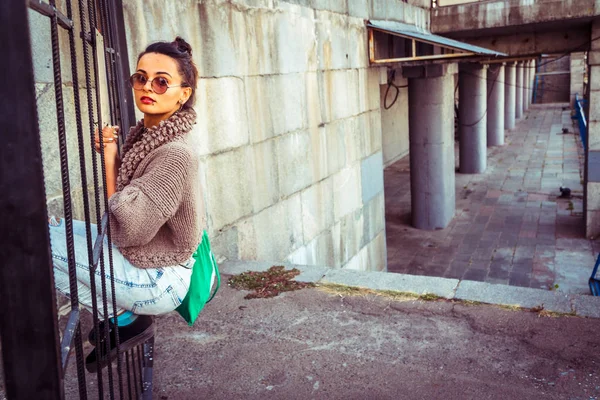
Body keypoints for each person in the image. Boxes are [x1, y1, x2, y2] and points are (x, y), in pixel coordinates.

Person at [49, 37, 206, 372]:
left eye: (162, 81)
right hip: (149, 258)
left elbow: (129, 224)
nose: (148, 86)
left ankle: (125, 318)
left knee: (41, 247)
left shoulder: (175, 153)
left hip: (161, 278)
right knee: (53, 229)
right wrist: (116, 152)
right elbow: (137, 192)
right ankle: (124, 319)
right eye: (141, 78)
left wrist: (109, 159)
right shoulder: (149, 135)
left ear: (184, 93)